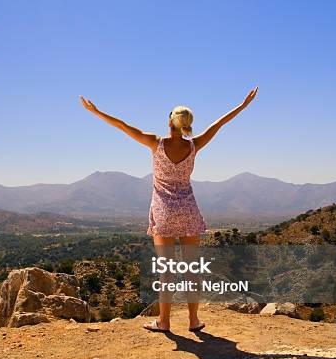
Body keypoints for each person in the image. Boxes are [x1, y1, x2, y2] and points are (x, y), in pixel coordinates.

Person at [80, 87, 258, 332]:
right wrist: (242, 105)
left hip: (164, 212)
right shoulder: (194, 145)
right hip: (188, 210)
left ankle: (164, 322)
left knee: (167, 271)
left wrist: (96, 111)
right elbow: (220, 124)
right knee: (191, 268)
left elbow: (122, 126)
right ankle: (194, 320)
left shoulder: (156, 143)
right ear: (186, 124)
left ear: (170, 121)